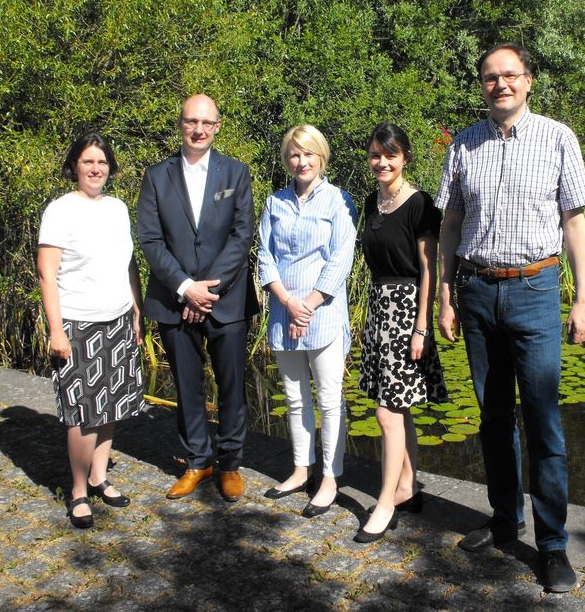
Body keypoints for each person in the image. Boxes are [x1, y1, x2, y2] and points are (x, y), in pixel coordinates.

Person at [435, 43, 585, 593]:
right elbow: (452, 224)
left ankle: (552, 546)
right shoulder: (463, 143)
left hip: (535, 289)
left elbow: (575, 224)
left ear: (528, 81)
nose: (500, 84)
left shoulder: (557, 137)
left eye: (510, 75)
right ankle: (506, 520)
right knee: (494, 417)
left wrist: (583, 298)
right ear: (481, 85)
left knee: (544, 420)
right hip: (477, 291)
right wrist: (446, 296)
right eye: (490, 77)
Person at [136, 94, 257, 502]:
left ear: (218, 126)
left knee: (231, 386)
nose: (199, 129)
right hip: (175, 299)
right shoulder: (156, 176)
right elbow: (150, 241)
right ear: (180, 124)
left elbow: (242, 236)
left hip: (227, 301)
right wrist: (187, 287)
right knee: (187, 385)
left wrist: (209, 288)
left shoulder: (236, 173)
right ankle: (197, 462)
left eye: (206, 123)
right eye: (191, 122)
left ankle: (230, 465)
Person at [38, 132, 145, 529]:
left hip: (117, 319)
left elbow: (129, 264)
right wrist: (56, 330)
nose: (96, 169)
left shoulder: (118, 208)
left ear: (110, 168)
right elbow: (47, 275)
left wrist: (136, 309)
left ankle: (100, 476)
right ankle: (79, 490)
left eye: (102, 162)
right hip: (78, 324)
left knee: (111, 404)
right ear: (75, 167)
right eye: (88, 162)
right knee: (81, 413)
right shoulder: (61, 210)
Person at [257, 124, 357, 518]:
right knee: (295, 397)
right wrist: (286, 302)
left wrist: (309, 306)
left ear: (322, 157)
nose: (301, 161)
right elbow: (265, 256)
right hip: (284, 312)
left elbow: (340, 260)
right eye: (294, 154)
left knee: (329, 399)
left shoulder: (338, 201)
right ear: (287, 160)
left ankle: (330, 477)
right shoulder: (274, 203)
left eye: (308, 154)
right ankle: (301, 468)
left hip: (324, 313)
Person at [355, 123, 447, 544]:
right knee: (396, 407)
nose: (382, 162)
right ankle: (408, 488)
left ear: (405, 157)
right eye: (375, 155)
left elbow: (430, 268)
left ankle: (386, 501)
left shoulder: (419, 204)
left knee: (387, 412)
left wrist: (422, 328)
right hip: (379, 308)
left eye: (390, 155)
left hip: (408, 310)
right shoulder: (371, 203)